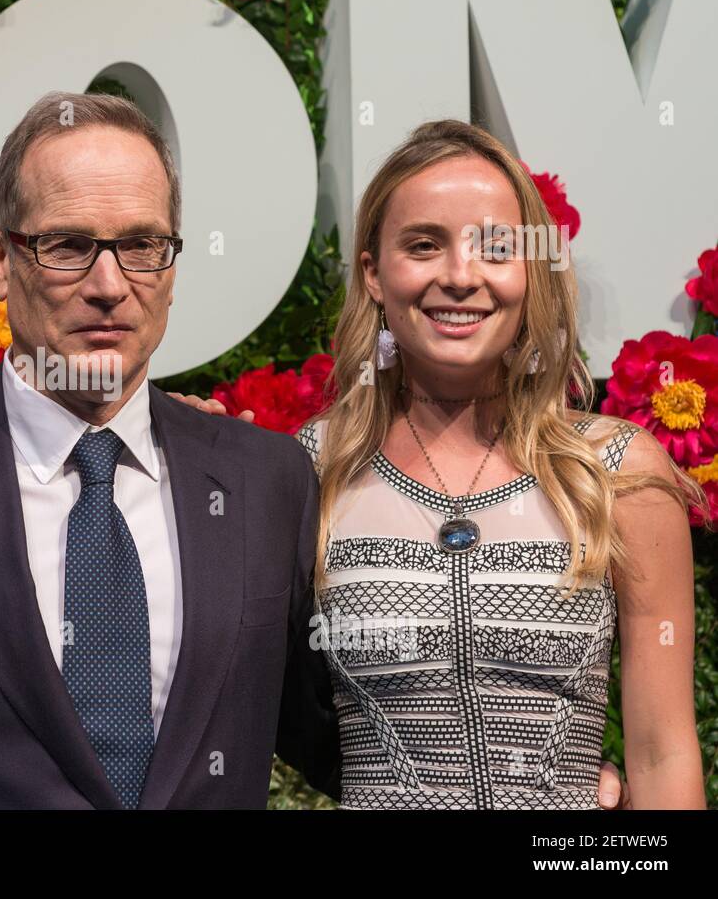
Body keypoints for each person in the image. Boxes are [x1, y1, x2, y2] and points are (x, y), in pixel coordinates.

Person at [0, 91, 340, 807]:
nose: (110, 286)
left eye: (142, 246)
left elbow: (335, 738)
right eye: (68, 246)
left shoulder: (265, 484)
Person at [292, 119, 708, 808]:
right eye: (424, 245)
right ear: (373, 273)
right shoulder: (309, 470)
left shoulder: (618, 471)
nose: (461, 276)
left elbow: (664, 754)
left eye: (497, 248)